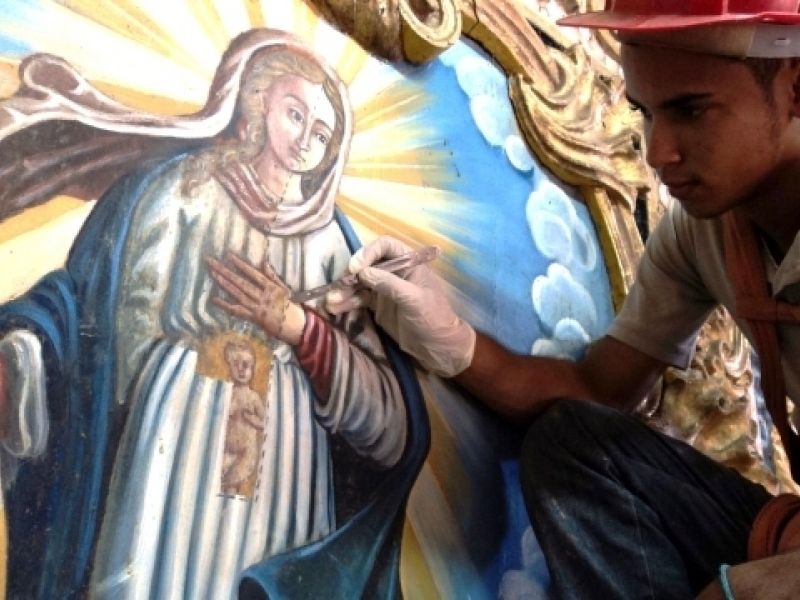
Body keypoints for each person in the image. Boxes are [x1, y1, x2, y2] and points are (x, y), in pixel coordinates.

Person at [326, 2, 800, 598]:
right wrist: (451, 339)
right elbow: (596, 389)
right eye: (645, 112)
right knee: (576, 443)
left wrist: (753, 587)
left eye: (691, 110)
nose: (658, 152)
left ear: (794, 87)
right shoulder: (700, 236)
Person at [0, 29, 426, 599]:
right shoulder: (185, 190)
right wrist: (43, 362)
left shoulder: (329, 243)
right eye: (295, 113)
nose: (306, 140)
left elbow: (390, 430)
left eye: (323, 133)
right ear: (255, 103)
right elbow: (112, 318)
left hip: (285, 452)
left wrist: (301, 330)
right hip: (179, 424)